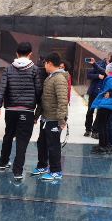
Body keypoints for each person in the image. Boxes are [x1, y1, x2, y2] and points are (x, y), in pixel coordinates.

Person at [0, 41, 42, 180]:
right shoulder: (35, 70)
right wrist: (39, 108)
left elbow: (1, 89)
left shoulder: (8, 69)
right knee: (22, 140)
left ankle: (3, 163)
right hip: (27, 111)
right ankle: (17, 171)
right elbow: (39, 90)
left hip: (10, 110)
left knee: (8, 135)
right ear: (30, 54)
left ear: (16, 53)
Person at [32, 53, 69, 181]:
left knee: (53, 146)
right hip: (45, 118)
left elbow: (63, 100)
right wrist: (37, 115)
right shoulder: (50, 78)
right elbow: (44, 99)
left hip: (54, 119)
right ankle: (42, 166)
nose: (44, 66)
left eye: (45, 63)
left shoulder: (59, 79)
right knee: (41, 143)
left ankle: (56, 171)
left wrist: (61, 120)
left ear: (49, 63)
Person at [84, 56, 107, 138]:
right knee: (90, 110)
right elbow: (88, 75)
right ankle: (88, 129)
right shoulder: (98, 64)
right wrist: (98, 76)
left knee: (100, 113)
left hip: (104, 93)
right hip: (94, 91)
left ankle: (95, 130)